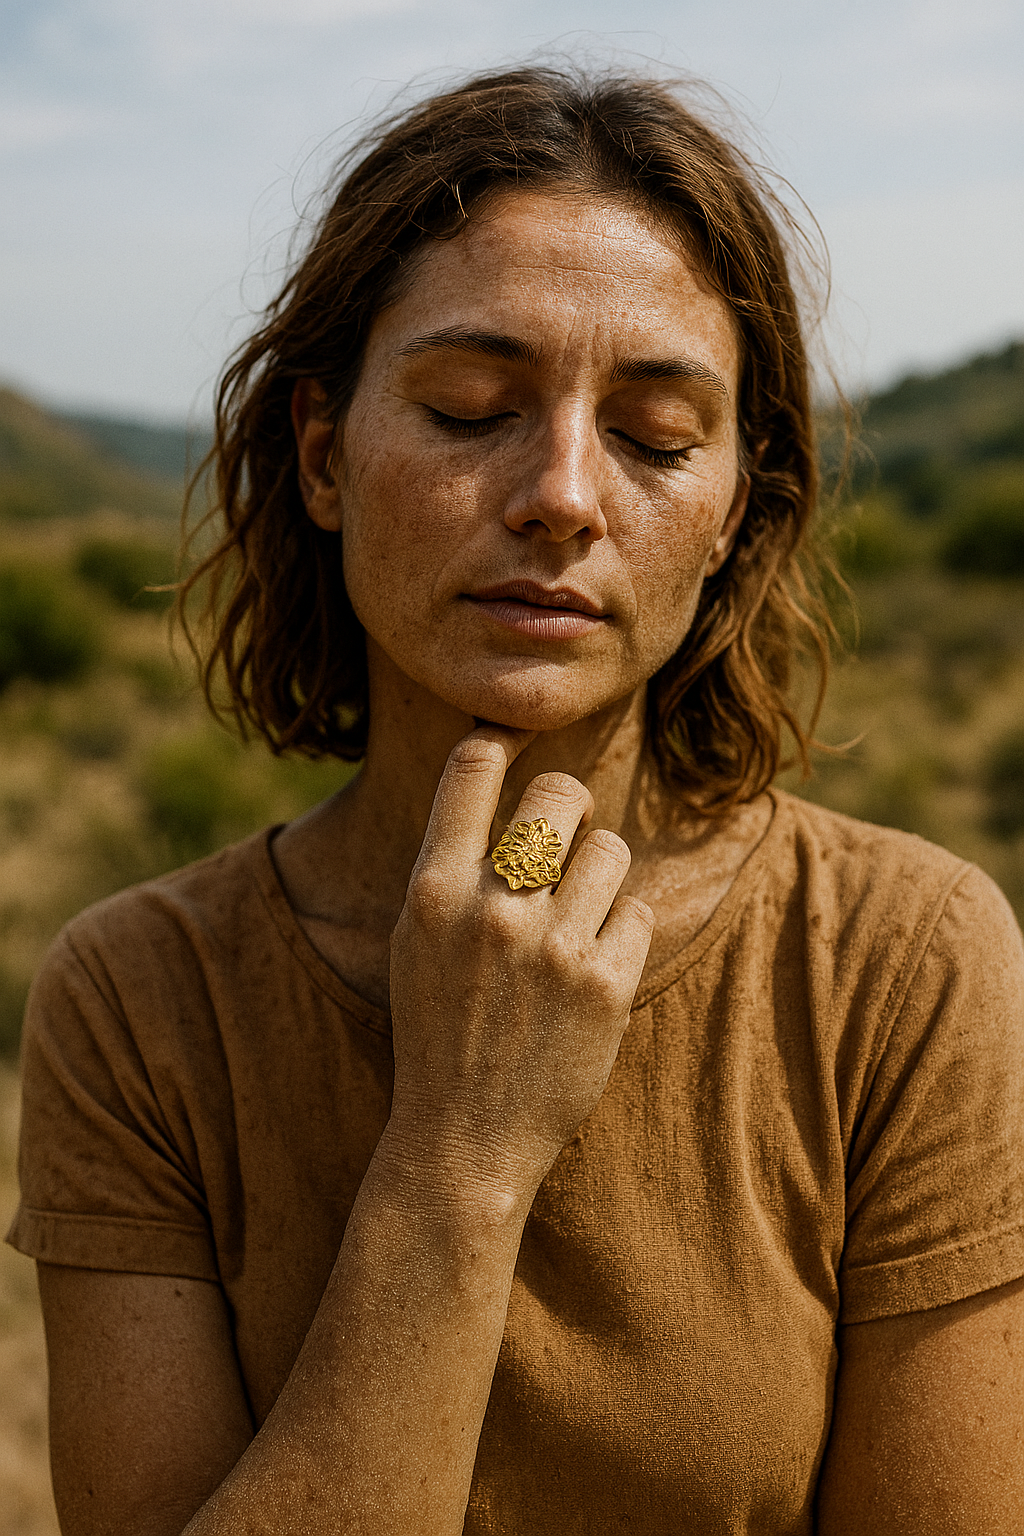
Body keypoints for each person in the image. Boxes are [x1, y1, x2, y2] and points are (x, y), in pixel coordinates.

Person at [7, 66, 1024, 1536]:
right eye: (471, 407)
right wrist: (461, 1153)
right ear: (321, 456)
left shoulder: (901, 961)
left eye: (658, 436)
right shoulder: (141, 1000)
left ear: (734, 505)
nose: (562, 492)